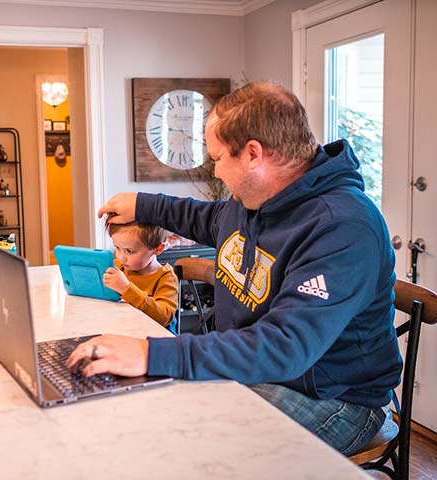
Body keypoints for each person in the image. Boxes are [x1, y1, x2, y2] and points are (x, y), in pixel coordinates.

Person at [67, 81, 402, 456]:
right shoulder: (257, 201)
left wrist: (150, 353)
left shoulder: (343, 226)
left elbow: (284, 346)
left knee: (206, 450)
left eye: (217, 158)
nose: (216, 170)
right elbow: (208, 218)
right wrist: (144, 205)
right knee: (155, 419)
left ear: (253, 154)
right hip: (267, 372)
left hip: (336, 398)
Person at [103, 218, 179, 334]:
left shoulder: (165, 277)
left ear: (158, 249)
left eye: (130, 251)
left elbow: (164, 317)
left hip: (155, 341)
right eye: (117, 248)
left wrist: (127, 289)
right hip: (125, 332)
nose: (121, 257)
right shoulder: (118, 267)